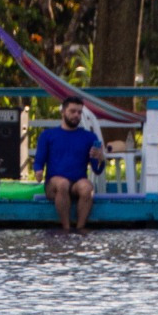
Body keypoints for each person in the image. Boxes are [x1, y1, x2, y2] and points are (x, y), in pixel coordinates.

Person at [33, 96, 104, 231]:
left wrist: (101, 159)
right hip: (54, 185)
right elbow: (38, 161)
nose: (76, 115)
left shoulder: (89, 137)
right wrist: (38, 171)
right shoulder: (48, 135)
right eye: (72, 111)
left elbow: (97, 169)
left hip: (77, 183)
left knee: (87, 187)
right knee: (62, 183)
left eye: (79, 112)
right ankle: (66, 228)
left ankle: (80, 228)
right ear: (63, 112)